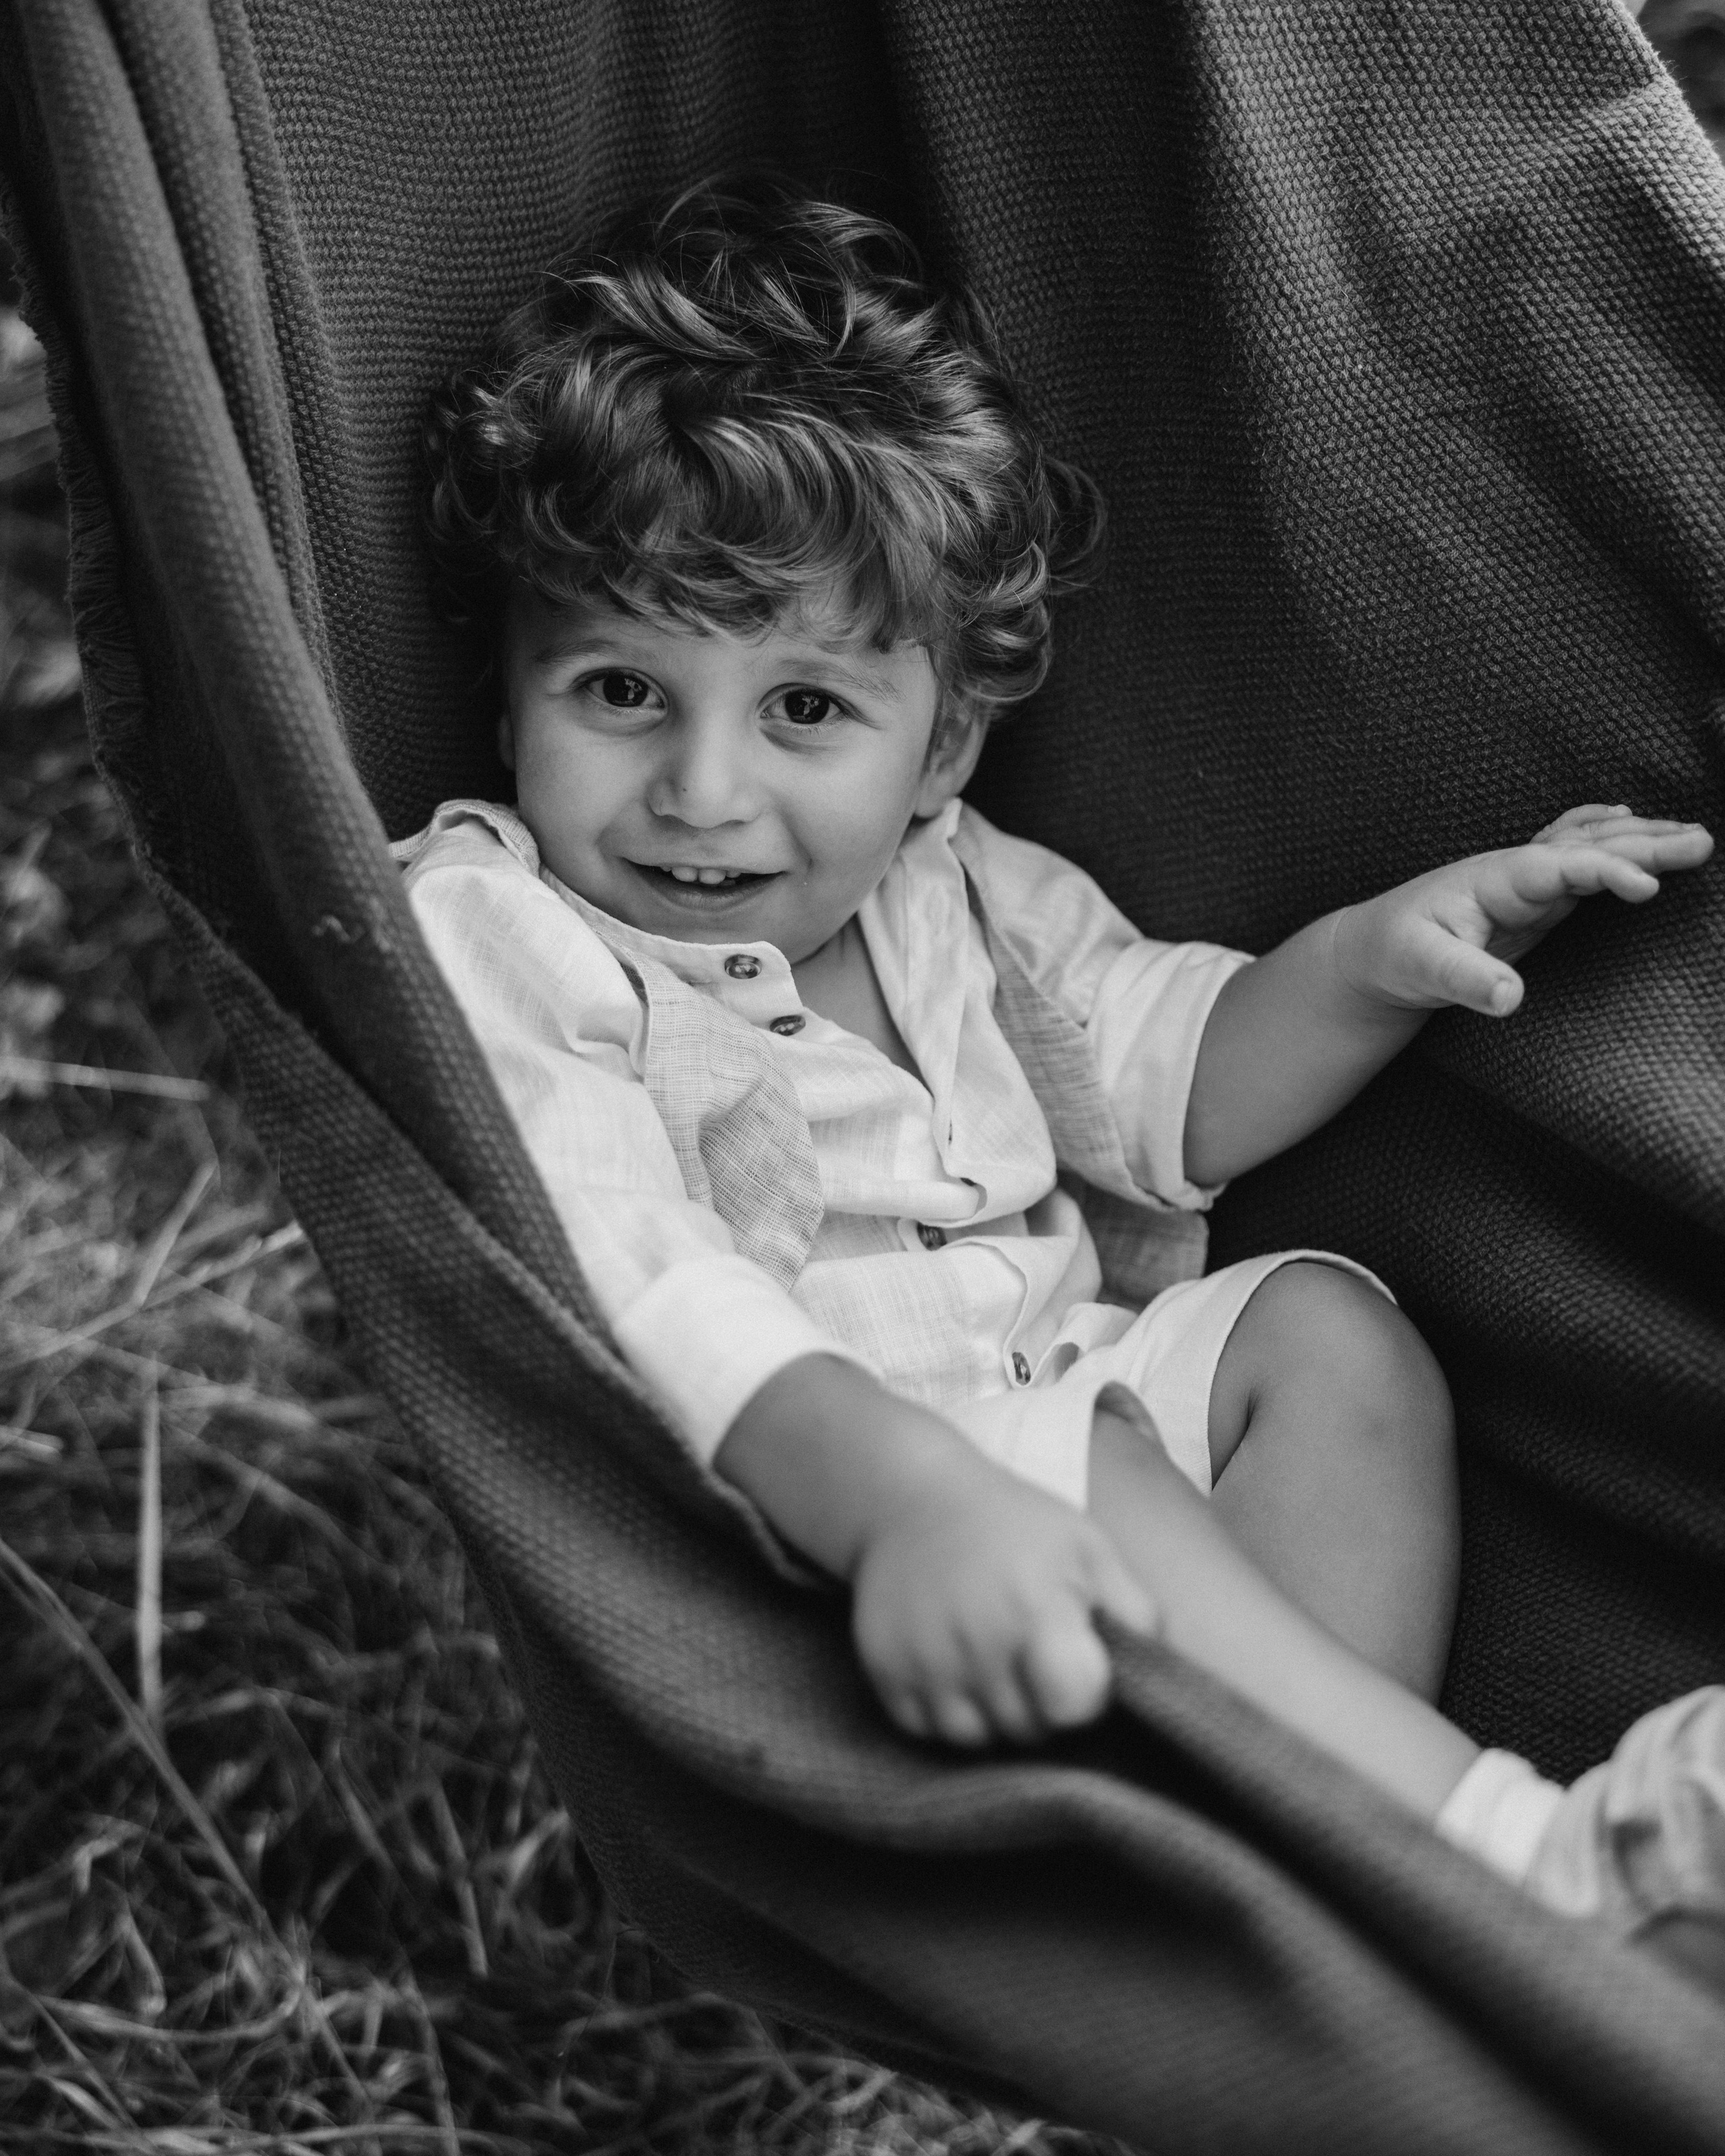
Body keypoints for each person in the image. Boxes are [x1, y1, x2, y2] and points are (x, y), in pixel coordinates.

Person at [396, 175, 1719, 1945]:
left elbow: (1174, 1082)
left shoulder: (961, 895)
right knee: (1078, 1453)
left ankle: (1316, 1888)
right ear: (508, 698)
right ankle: (1520, 1875)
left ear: (940, 745)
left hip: (1068, 1420)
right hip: (814, 1518)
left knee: (1322, 1327)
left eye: (803, 709)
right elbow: (631, 1274)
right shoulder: (503, 926)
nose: (703, 790)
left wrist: (1390, 958)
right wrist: (917, 1499)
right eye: (620, 691)